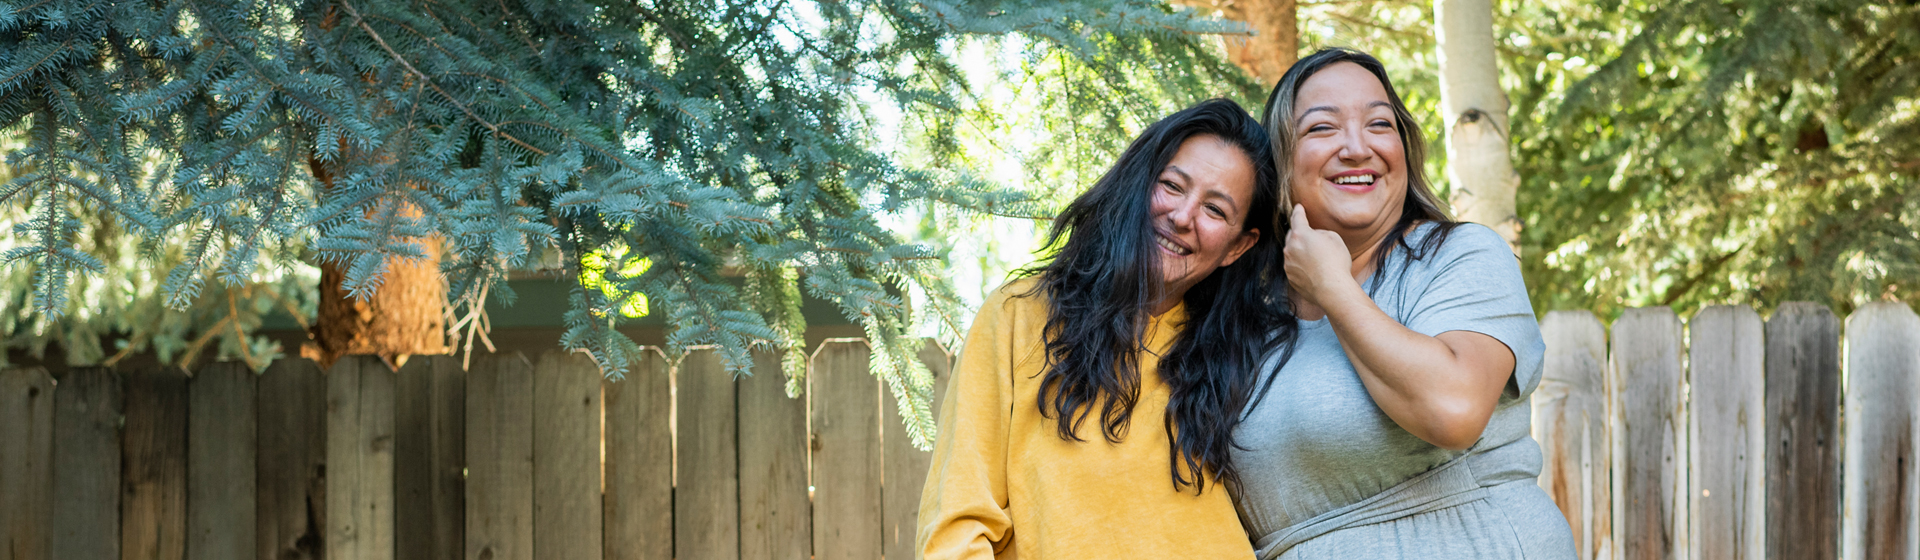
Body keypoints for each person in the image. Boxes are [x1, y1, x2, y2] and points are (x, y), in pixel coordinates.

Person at [1231, 47, 1576, 559]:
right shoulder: (1245, 312)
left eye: (1379, 124)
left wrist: (1332, 286)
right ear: (1279, 161)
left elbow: (1453, 409)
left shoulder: (1460, 255)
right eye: (1322, 128)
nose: (1357, 148)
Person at [917, 98, 1293, 559]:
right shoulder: (1021, 316)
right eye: (1172, 186)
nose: (1182, 216)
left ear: (1238, 246)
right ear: (1139, 184)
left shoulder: (1251, 357)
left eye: (1215, 210)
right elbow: (957, 526)